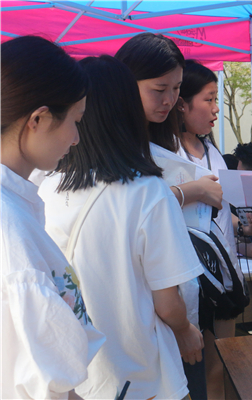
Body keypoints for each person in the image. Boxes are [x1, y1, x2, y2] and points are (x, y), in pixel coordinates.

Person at [38, 55, 204, 400]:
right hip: (140, 373)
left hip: (74, 373)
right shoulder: (147, 192)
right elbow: (167, 302)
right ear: (127, 112)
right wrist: (185, 330)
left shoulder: (45, 189)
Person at [1, 36, 105, 400]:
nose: (76, 138)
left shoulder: (18, 205)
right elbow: (44, 379)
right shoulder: (10, 227)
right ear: (39, 119)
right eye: (75, 120)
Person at [176, 59, 252, 400]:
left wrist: (243, 226)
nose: (215, 109)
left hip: (224, 275)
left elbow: (220, 212)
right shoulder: (163, 152)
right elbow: (150, 205)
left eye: (216, 99)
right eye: (208, 99)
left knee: (221, 364)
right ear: (182, 104)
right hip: (188, 278)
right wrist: (194, 191)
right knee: (190, 372)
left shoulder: (211, 150)